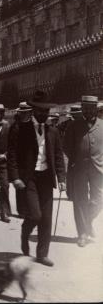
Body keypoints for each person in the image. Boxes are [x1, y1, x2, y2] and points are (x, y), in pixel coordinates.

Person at [8, 91, 66, 267]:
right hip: (29, 178)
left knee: (46, 218)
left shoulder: (53, 131)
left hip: (46, 177)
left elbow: (57, 156)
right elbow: (12, 155)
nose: (43, 115)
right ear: (33, 111)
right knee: (35, 214)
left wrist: (62, 178)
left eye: (46, 112)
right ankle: (26, 231)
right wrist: (15, 177)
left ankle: (42, 254)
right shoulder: (19, 129)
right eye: (40, 112)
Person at [63, 96, 103, 247]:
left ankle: (87, 222)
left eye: (90, 107)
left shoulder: (102, 125)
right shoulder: (74, 125)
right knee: (80, 201)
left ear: (96, 108)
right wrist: (74, 160)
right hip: (78, 168)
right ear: (82, 108)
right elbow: (66, 145)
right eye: (85, 107)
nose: (87, 110)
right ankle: (82, 233)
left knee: (99, 200)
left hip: (98, 169)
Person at [10, 102, 34, 217]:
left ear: (30, 113)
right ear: (19, 114)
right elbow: (12, 152)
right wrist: (14, 175)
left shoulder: (34, 126)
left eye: (27, 113)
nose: (25, 115)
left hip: (32, 164)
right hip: (19, 165)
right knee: (20, 189)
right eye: (22, 113)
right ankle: (22, 211)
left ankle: (29, 210)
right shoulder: (15, 127)